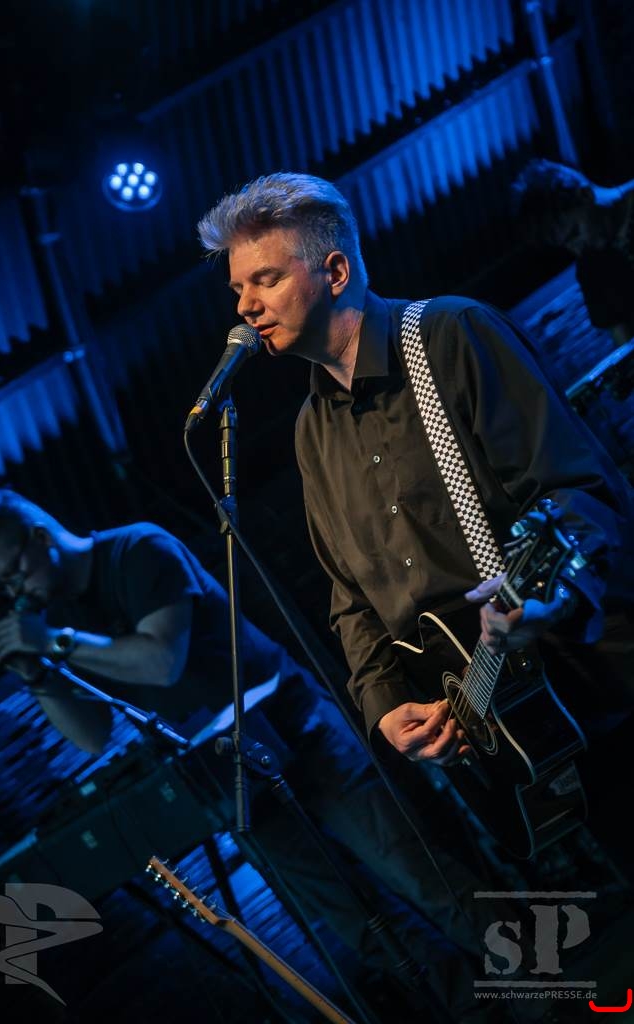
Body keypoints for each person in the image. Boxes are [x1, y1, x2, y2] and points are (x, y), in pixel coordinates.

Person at [196, 171, 634, 887]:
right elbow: (350, 601)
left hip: (593, 675)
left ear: (335, 271)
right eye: (238, 289)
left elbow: (576, 488)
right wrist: (386, 706)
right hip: (503, 730)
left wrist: (554, 595)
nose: (245, 306)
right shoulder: (311, 435)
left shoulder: (451, 335)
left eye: (265, 280)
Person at [0, 487, 525, 1024]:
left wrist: (54, 643)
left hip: (298, 733)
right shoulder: (61, 620)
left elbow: (162, 662)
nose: (16, 592)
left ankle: (538, 983)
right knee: (359, 926)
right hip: (231, 782)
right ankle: (475, 1013)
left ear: (39, 537)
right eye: (2, 586)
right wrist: (37, 674)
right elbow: (89, 734)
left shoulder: (137, 549)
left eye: (14, 572)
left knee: (418, 874)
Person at [511, 158, 634, 344]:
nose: (577, 249)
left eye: (575, 233)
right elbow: (623, 343)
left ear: (585, 195)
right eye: (567, 245)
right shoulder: (592, 268)